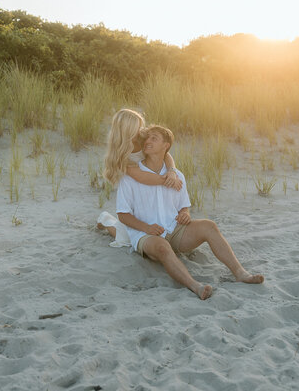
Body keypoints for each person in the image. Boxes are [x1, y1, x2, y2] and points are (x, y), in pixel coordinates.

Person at [117, 125, 264, 300]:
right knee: (163, 248)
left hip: (174, 229)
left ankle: (240, 273)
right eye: (147, 138)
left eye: (154, 138)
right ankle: (196, 286)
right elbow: (123, 215)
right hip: (146, 235)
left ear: (166, 145)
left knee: (209, 226)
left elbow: (183, 206)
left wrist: (185, 213)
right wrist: (146, 228)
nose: (147, 141)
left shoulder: (176, 175)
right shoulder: (132, 176)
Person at [98, 108, 182, 244]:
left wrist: (172, 171)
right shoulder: (122, 155)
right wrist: (167, 180)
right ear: (126, 131)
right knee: (127, 239)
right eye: (136, 128)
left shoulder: (142, 137)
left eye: (140, 126)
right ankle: (106, 220)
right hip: (136, 186)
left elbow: (165, 153)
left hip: (152, 184)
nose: (141, 131)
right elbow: (141, 177)